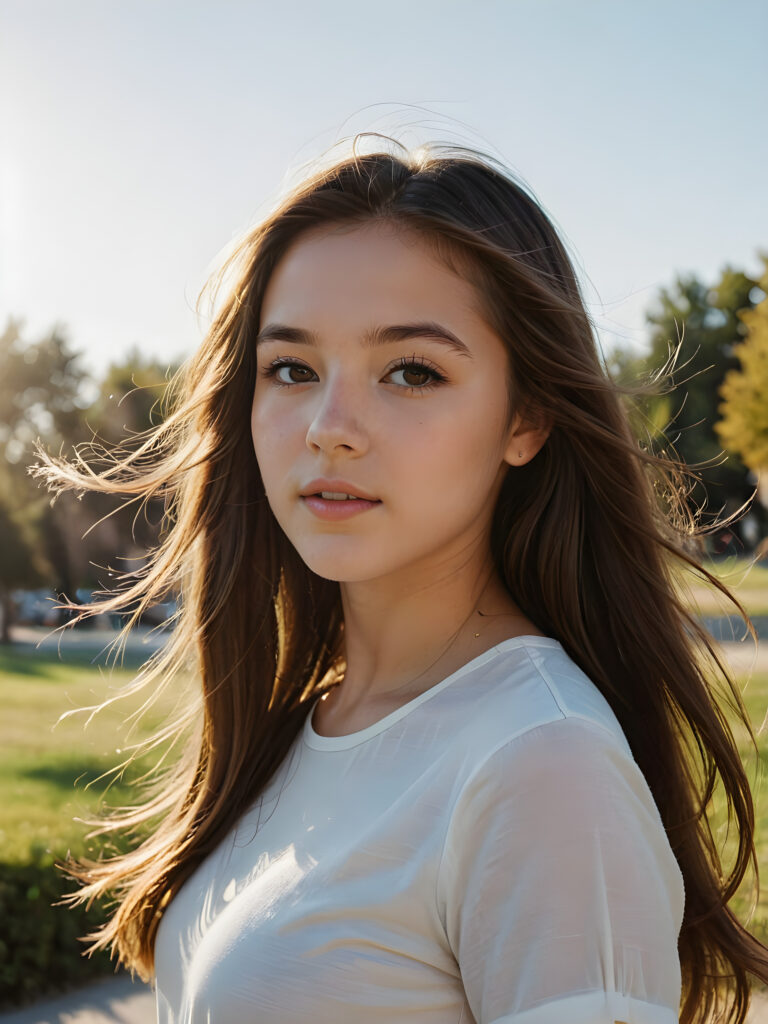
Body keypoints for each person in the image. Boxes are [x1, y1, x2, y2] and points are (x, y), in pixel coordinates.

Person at [33, 135, 768, 1024]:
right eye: (291, 369)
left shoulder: (543, 764)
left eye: (412, 371)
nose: (330, 427)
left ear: (526, 417)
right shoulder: (306, 721)